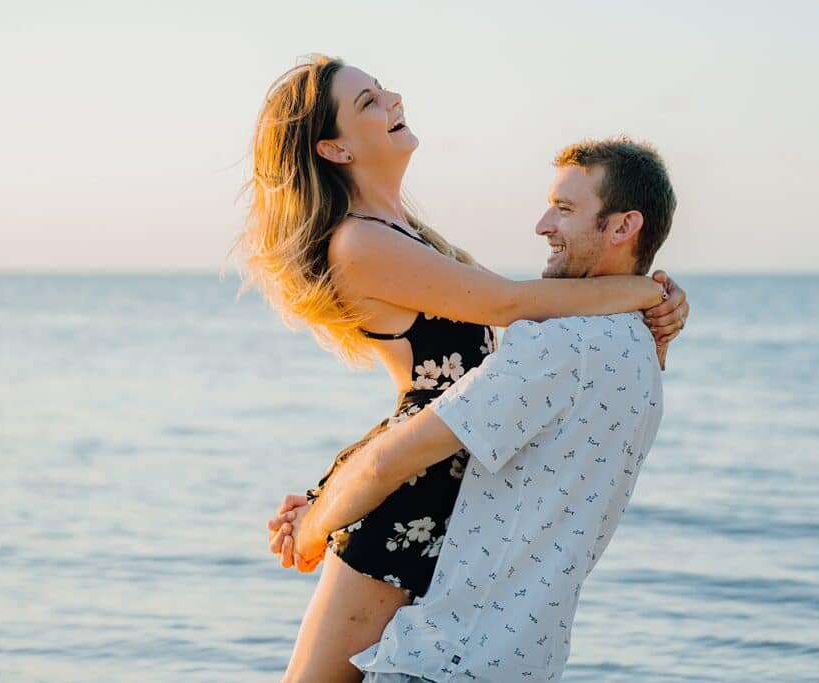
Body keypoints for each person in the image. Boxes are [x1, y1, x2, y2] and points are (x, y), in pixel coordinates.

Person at [239, 54, 689, 683]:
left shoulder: (406, 229)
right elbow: (511, 305)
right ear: (334, 149)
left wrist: (650, 302)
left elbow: (515, 336)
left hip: (445, 474)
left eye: (381, 89)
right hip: (410, 488)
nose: (393, 98)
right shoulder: (360, 241)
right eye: (368, 102)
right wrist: (645, 292)